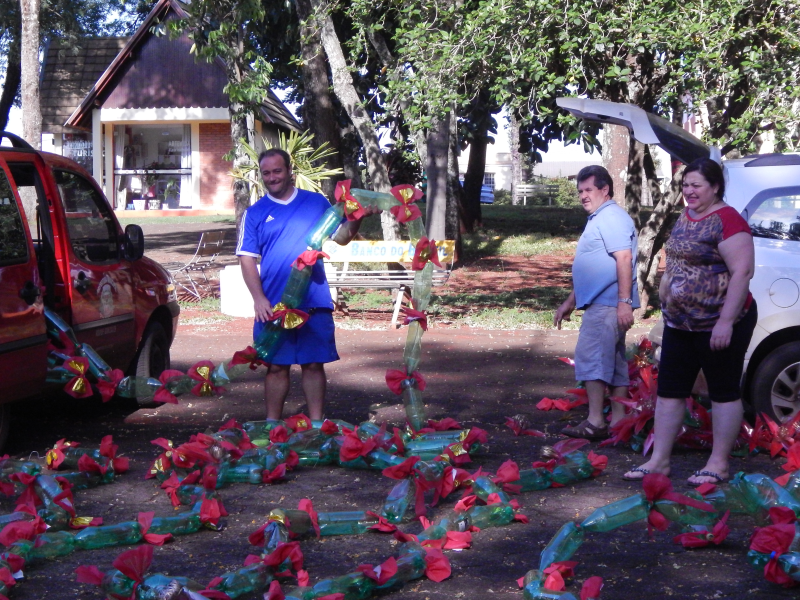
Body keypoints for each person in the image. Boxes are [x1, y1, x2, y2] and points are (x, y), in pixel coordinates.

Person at [623, 157, 756, 485]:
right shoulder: (686, 215)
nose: (689, 191)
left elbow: (743, 271)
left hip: (720, 323)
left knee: (722, 391)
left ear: (715, 187)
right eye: (685, 185)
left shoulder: (727, 220)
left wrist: (725, 322)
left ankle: (718, 464)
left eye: (697, 185)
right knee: (669, 391)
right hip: (680, 323)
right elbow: (676, 256)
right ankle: (659, 461)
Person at [236, 149, 377, 421]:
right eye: (266, 173)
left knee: (313, 364)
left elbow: (342, 236)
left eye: (277, 171)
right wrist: (259, 299)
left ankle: (315, 425)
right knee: (276, 366)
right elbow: (246, 259)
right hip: (274, 304)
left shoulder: (316, 203)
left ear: (290, 172)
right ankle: (271, 426)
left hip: (313, 298)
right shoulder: (254, 214)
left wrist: (357, 217)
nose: (272, 177)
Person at [554, 165, 639, 440]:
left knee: (590, 359)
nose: (583, 196)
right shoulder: (599, 217)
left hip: (608, 305)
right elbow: (595, 269)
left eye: (588, 190)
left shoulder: (611, 217)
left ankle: (594, 422)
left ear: (605, 190)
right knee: (613, 364)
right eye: (580, 191)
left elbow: (623, 259)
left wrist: (624, 302)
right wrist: (570, 301)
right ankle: (618, 422)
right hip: (602, 301)